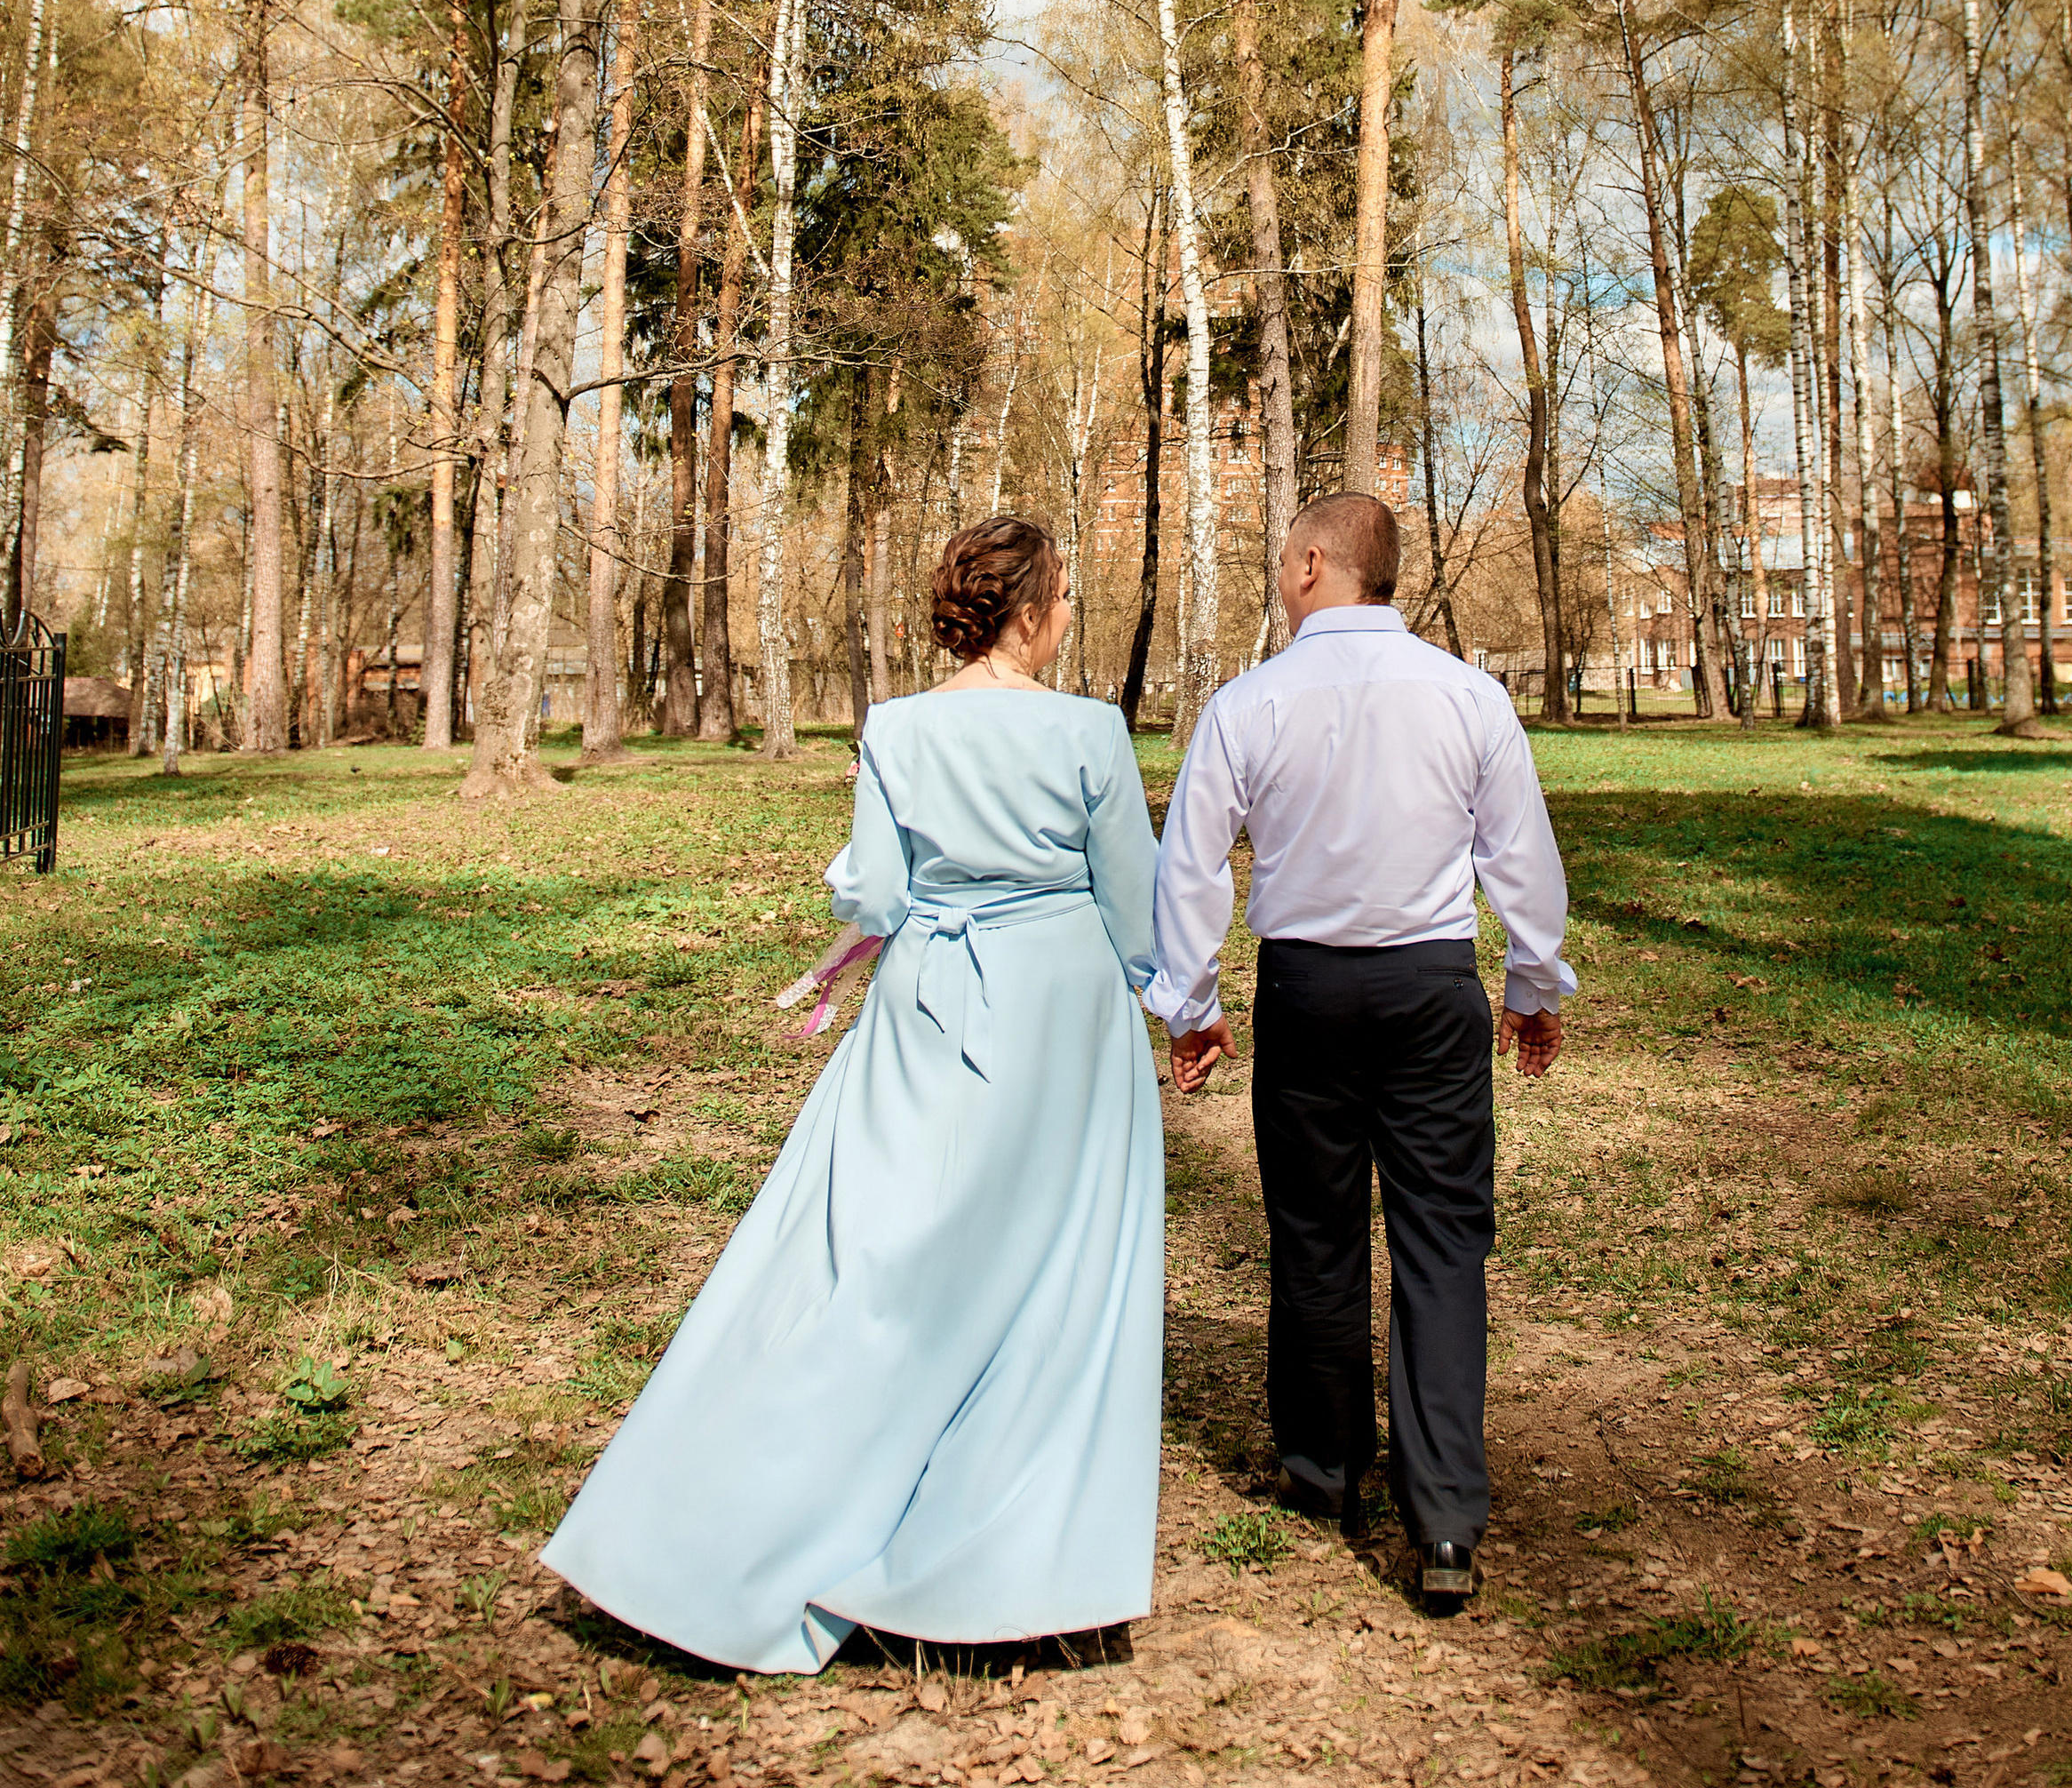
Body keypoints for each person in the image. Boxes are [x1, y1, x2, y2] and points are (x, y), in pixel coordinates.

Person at [544, 516, 1165, 1673]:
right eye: (1064, 593)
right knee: (1061, 1272)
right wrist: (1167, 992)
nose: (1070, 612)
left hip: (929, 1001)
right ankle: (1017, 1571)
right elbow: (1133, 897)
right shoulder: (1089, 729)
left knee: (872, 1254)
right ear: (1029, 609)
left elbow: (876, 891)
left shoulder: (898, 726)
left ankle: (723, 1534)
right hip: (1063, 1010)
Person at [1147, 491, 1573, 1616]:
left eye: (1282, 558)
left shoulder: (1248, 703)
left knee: (1315, 1231)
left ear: (1311, 563)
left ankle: (1323, 1469)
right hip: (1431, 989)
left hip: (1307, 991)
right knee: (1442, 1240)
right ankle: (1444, 1515)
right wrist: (1531, 986)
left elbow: (1190, 865)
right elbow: (1521, 858)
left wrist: (1190, 1004)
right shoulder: (1468, 695)